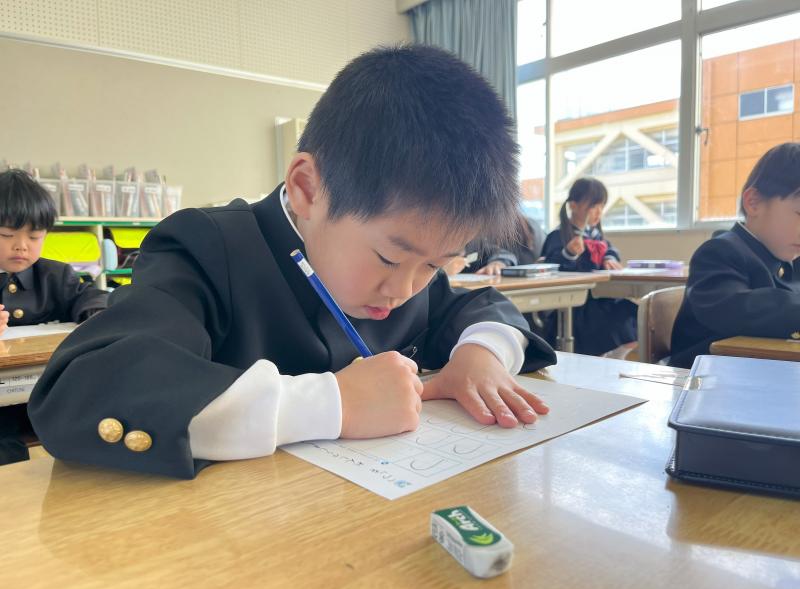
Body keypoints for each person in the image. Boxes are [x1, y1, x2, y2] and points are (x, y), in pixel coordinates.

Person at [28, 45, 557, 479]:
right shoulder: (205, 248)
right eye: (388, 257)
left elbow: (482, 307)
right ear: (307, 188)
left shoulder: (408, 277)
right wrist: (333, 403)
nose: (404, 291)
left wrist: (481, 356)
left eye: (435, 266)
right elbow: (87, 389)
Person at [0, 169, 108, 465]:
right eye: (6, 235)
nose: (21, 245)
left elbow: (89, 296)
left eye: (34, 236)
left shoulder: (55, 275)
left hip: (49, 390)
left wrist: (95, 314)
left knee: (88, 430)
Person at [670, 142, 800, 368]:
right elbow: (734, 309)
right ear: (753, 203)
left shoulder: (791, 258)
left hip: (764, 375)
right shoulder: (719, 253)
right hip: (705, 379)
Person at [540, 177, 637, 356]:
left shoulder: (596, 235)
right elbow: (549, 266)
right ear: (573, 206)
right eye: (593, 207)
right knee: (611, 323)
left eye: (601, 206)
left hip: (598, 299)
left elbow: (610, 249)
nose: (599, 212)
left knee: (632, 313)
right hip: (574, 306)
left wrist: (608, 257)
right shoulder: (557, 235)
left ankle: (613, 359)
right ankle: (604, 359)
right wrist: (568, 253)